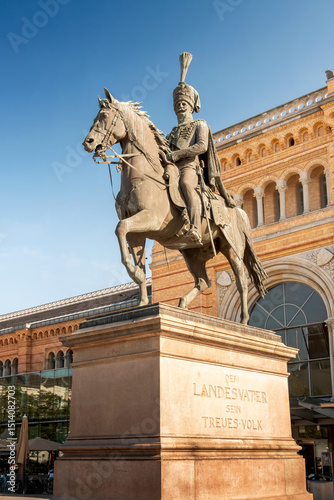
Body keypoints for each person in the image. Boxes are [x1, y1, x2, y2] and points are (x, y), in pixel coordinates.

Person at [167, 53, 235, 244]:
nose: (180, 107)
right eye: (177, 104)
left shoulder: (200, 124)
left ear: (191, 107)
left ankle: (196, 227)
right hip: (172, 168)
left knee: (186, 185)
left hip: (190, 167)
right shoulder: (172, 132)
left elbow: (202, 146)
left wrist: (178, 154)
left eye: (184, 104)